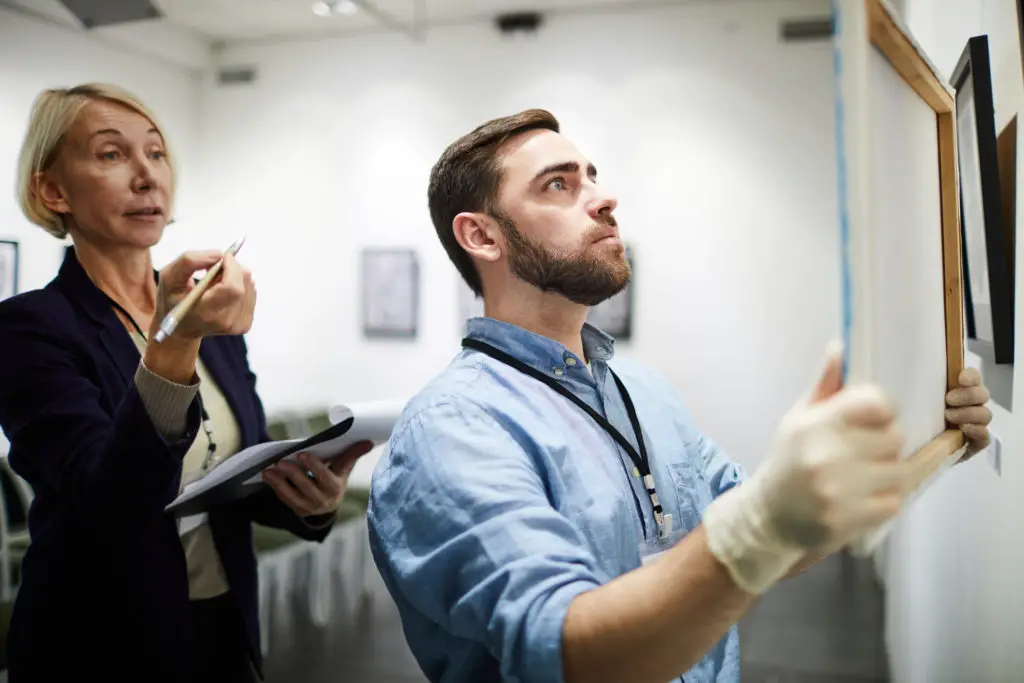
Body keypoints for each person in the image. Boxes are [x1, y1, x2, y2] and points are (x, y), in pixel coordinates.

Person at [365, 109, 994, 683]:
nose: (604, 197)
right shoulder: (453, 429)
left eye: (592, 176)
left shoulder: (641, 389)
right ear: (482, 237)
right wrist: (763, 521)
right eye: (559, 184)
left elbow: (777, 538)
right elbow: (569, 649)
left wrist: (917, 441)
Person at [0, 83, 373, 683]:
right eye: (112, 154)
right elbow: (110, 505)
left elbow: (229, 471)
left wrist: (309, 501)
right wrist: (174, 339)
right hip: (98, 641)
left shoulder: (207, 316)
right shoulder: (29, 328)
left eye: (156, 153)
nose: (147, 176)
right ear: (52, 190)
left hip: (222, 626)